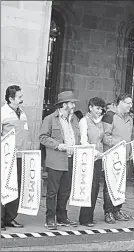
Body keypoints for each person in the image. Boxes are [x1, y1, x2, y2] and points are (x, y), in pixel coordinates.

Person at [39, 91, 81, 230]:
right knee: (52, 192)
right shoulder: (50, 119)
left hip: (70, 159)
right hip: (56, 160)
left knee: (65, 191)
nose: (74, 105)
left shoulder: (74, 119)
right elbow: (43, 137)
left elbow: (78, 137)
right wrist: (58, 145)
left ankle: (62, 217)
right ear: (64, 105)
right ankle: (50, 218)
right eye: (71, 103)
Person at [101, 94, 134, 223]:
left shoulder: (130, 119)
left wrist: (131, 149)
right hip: (112, 156)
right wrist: (119, 142)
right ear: (120, 102)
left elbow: (132, 136)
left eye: (131, 103)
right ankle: (108, 211)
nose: (130, 106)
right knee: (109, 185)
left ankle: (117, 209)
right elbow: (104, 136)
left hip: (125, 157)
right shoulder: (110, 116)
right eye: (128, 103)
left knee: (121, 185)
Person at [1, 85, 29, 231]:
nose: (22, 98)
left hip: (20, 156)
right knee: (3, 187)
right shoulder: (3, 113)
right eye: (19, 96)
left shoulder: (22, 113)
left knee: (16, 188)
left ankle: (10, 218)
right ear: (11, 98)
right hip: (6, 158)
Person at [77, 97, 107, 227]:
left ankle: (90, 215)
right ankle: (84, 218)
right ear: (90, 107)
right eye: (97, 108)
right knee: (88, 187)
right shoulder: (84, 121)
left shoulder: (100, 122)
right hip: (89, 157)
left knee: (95, 187)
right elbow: (83, 140)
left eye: (101, 109)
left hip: (99, 158)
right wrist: (95, 152)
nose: (99, 111)